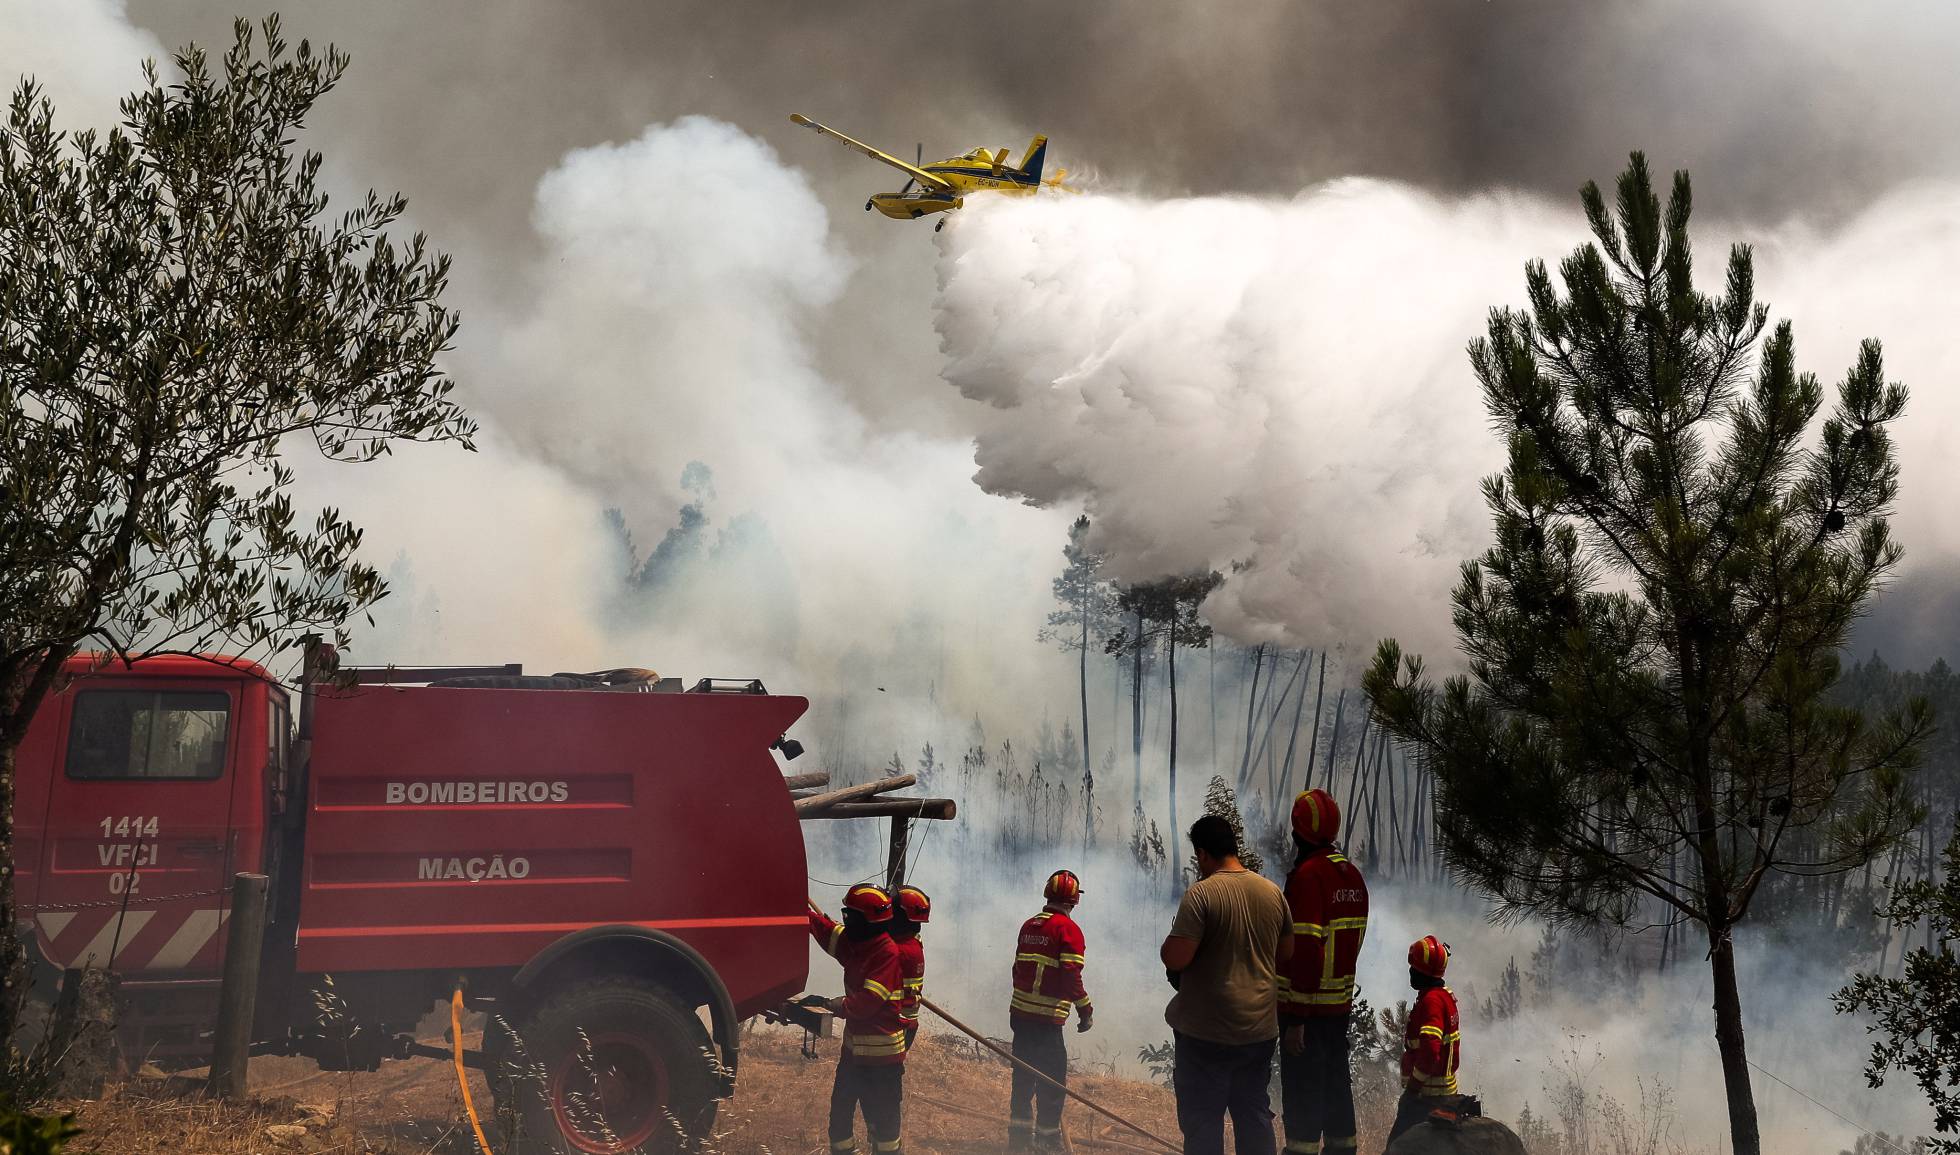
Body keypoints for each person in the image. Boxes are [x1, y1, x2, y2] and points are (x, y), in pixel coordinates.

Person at [1160, 815, 1295, 1155]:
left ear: (1203, 854)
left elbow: (1176, 958)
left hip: (1206, 1034)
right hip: (1259, 1032)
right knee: (1253, 1115)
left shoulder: (1202, 894)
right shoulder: (1272, 892)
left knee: (1204, 1121)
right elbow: (1287, 952)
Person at [1279, 789, 1370, 1155]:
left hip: (1307, 1010)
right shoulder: (1352, 877)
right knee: (1336, 1087)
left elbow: (1306, 951)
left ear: (1299, 832)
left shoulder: (1308, 877)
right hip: (1338, 1010)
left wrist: (1297, 1017)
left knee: (1302, 1093)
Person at [809, 885, 911, 1155]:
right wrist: (805, 915)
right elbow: (830, 935)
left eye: (849, 915)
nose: (844, 920)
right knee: (839, 1122)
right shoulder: (859, 942)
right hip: (853, 1056)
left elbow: (867, 1003)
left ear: (866, 920)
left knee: (883, 1130)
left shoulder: (886, 953)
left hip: (882, 1062)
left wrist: (831, 1004)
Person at [1007, 869, 1094, 1151]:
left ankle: (1018, 1143)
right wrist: (1085, 1009)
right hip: (1047, 1022)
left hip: (1020, 1017)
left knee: (1022, 1080)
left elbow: (1016, 968)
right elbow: (1071, 974)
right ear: (1073, 901)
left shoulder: (1029, 925)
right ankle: (1046, 1144)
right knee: (1052, 1085)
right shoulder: (1068, 930)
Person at [1385, 935, 1462, 1147]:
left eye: (1414, 967)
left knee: (1396, 1147)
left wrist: (1412, 1089)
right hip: (1443, 1093)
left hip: (1426, 1097)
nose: (1410, 971)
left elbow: (1430, 1051)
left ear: (1423, 972)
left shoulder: (1432, 1002)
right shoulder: (1444, 996)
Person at [893, 886, 931, 1051]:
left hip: (899, 1025)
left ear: (902, 919)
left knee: (887, 1073)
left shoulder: (901, 951)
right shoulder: (912, 941)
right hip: (906, 1024)